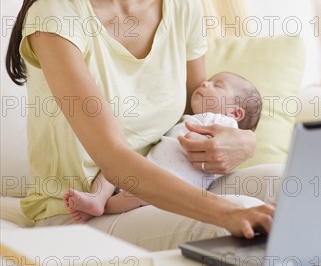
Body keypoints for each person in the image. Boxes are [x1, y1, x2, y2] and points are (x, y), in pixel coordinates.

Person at [6, 0, 281, 250]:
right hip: (80, 216)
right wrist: (227, 210)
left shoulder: (183, 5)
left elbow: (196, 112)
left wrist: (244, 141)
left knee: (285, 182)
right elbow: (113, 157)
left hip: (168, 186)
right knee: (240, 218)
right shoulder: (56, 16)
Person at [63, 71, 263, 223]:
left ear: (235, 113)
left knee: (135, 196)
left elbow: (217, 151)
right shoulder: (187, 118)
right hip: (145, 170)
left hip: (171, 186)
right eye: (208, 80)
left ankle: (102, 208)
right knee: (111, 168)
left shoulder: (224, 126)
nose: (204, 82)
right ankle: (97, 198)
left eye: (217, 85)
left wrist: (198, 140)